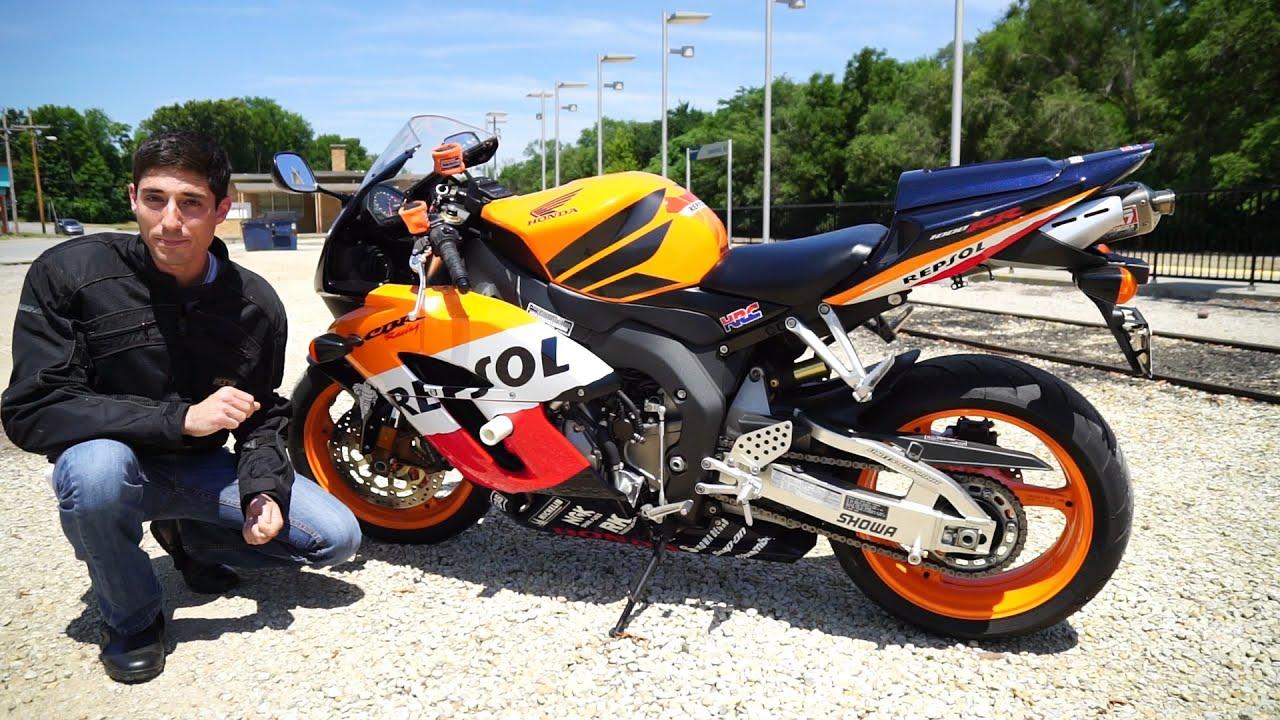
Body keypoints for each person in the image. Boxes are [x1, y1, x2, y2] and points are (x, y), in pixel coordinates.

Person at [1, 131, 361, 684]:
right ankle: (132, 620)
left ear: (222, 209)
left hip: (197, 469)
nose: (170, 221)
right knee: (97, 475)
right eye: (155, 199)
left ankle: (190, 538)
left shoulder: (254, 304)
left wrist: (262, 490)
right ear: (133, 198)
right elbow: (33, 408)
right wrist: (180, 419)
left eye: (191, 203)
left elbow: (262, 415)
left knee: (336, 539)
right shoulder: (69, 273)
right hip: (111, 463)